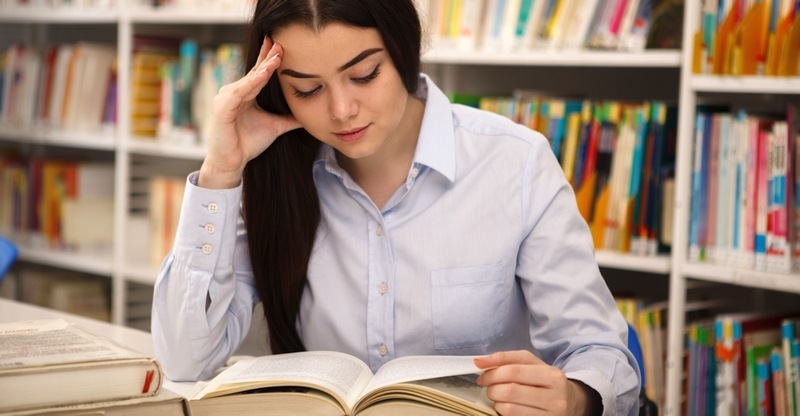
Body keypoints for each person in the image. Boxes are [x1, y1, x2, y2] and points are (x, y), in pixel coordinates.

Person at [151, 0, 641, 414]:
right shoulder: (274, 177)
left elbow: (600, 353)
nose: (342, 110)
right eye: (307, 89)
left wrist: (576, 397)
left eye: (364, 75)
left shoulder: (515, 163)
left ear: (403, 51)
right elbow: (185, 361)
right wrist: (221, 173)